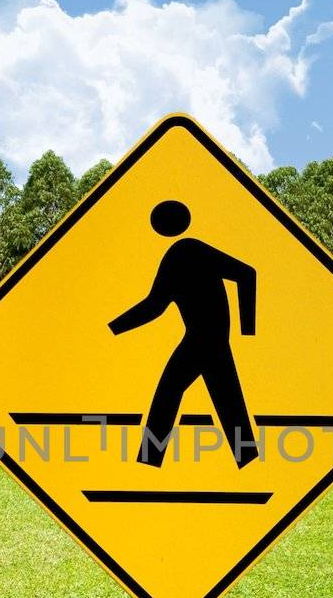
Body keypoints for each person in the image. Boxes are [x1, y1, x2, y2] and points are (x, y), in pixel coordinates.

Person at [109, 200, 260, 467]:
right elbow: (155, 305)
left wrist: (248, 331)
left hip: (203, 339)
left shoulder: (186, 251)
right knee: (227, 401)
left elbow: (247, 274)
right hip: (208, 339)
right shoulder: (180, 254)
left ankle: (149, 461)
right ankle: (247, 461)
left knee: (171, 392)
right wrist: (113, 328)